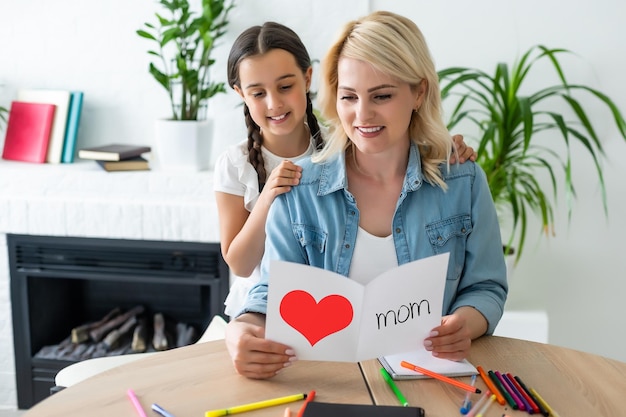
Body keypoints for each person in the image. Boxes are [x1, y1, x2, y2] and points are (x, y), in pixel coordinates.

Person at [224, 10, 508, 380]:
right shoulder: (299, 188)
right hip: (330, 384)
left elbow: (486, 286)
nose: (362, 115)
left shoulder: (463, 181)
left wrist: (466, 323)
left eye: (382, 95)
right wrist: (240, 329)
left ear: (418, 92)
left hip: (432, 382)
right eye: (349, 97)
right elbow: (270, 293)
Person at [214, 21, 477, 318]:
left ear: (308, 78)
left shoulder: (340, 144)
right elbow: (239, 264)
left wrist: (443, 147)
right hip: (260, 308)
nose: (274, 103)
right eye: (258, 93)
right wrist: (268, 198)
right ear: (240, 93)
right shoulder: (236, 163)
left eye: (285, 87)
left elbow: (390, 143)